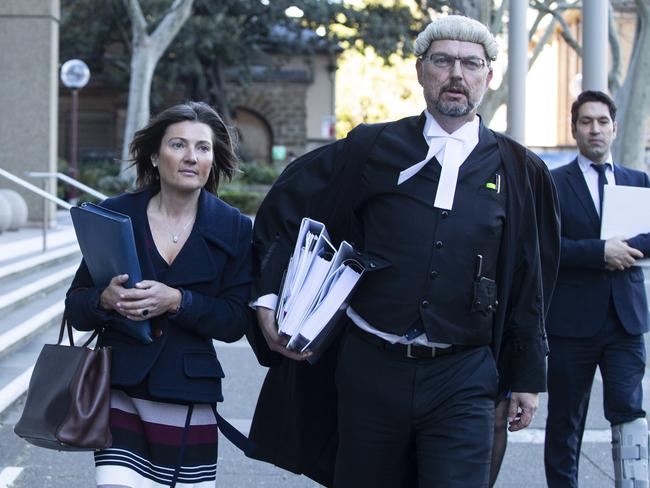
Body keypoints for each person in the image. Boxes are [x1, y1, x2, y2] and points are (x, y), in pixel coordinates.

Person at [247, 15, 560, 488]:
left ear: (487, 77)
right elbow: (288, 205)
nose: (457, 75)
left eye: (471, 64)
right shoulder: (373, 148)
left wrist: (528, 375)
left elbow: (530, 278)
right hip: (370, 367)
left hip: (464, 374)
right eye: (443, 61)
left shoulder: (520, 169)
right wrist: (270, 297)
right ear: (420, 71)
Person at [65, 101, 253, 487]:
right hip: (122, 389)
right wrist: (104, 299)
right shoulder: (115, 215)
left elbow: (235, 320)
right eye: (178, 145)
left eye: (203, 148)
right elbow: (76, 306)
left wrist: (178, 301)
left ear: (213, 160)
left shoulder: (234, 228)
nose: (191, 157)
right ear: (154, 155)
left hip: (187, 395)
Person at [544, 90, 650, 488]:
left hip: (625, 322)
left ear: (614, 127)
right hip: (571, 325)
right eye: (586, 122)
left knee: (630, 416)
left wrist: (626, 249)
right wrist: (599, 252)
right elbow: (546, 247)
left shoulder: (637, 181)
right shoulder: (553, 184)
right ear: (574, 130)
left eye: (602, 121)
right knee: (565, 422)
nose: (595, 129)